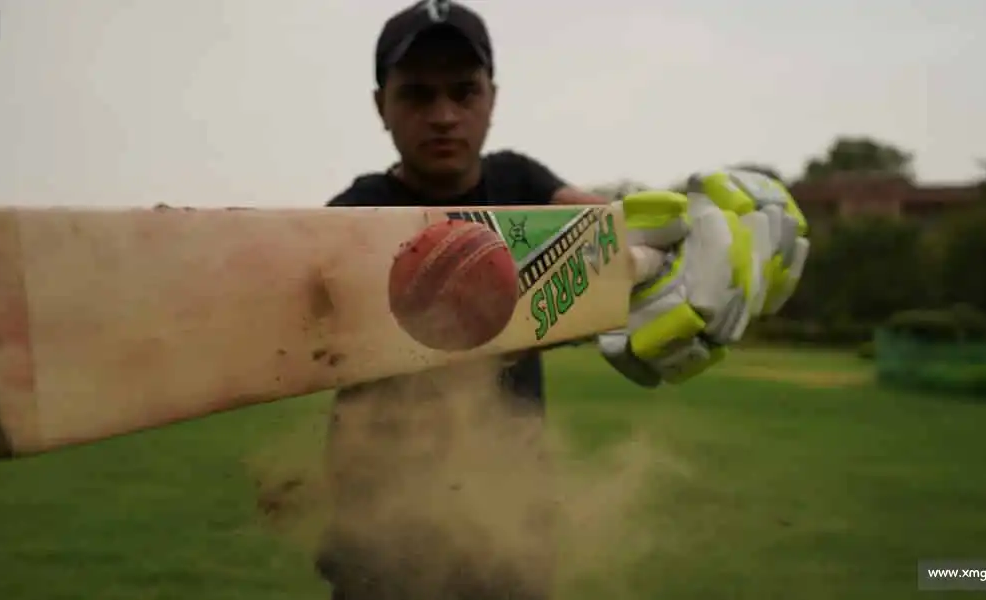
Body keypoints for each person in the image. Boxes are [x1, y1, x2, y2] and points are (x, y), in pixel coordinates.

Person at [312, 1, 810, 599]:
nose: (443, 116)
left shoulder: (520, 182)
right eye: (417, 94)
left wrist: (705, 244)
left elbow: (615, 233)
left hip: (509, 523)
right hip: (383, 532)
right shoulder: (356, 212)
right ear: (381, 106)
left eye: (464, 92)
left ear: (492, 97)